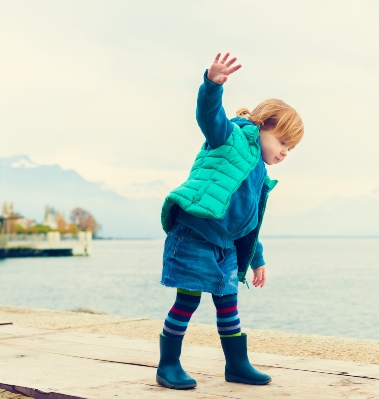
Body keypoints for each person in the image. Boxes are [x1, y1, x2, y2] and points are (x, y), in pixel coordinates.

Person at [156, 52, 304, 390]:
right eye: (283, 142)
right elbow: (209, 118)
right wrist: (212, 85)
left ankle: (237, 364)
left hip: (226, 246)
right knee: (187, 300)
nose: (284, 152)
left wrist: (257, 258)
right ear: (263, 125)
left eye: (290, 149)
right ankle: (168, 364)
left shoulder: (259, 173)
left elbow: (248, 221)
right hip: (194, 234)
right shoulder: (230, 137)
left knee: (228, 303)